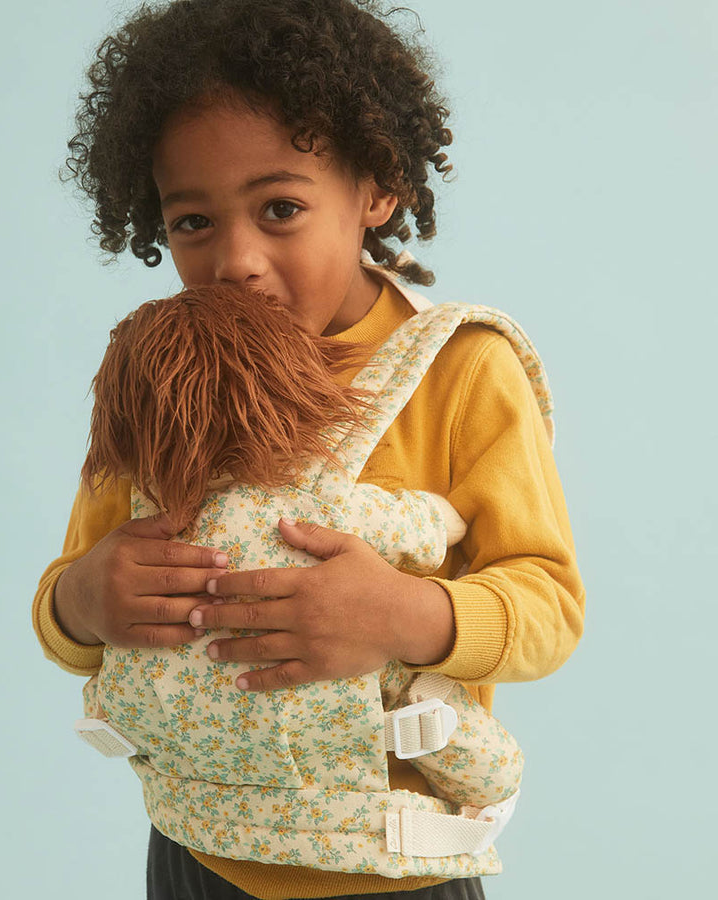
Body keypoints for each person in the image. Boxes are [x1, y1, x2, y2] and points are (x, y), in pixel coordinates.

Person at [33, 2, 585, 898]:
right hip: (196, 848)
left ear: (377, 188)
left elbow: (548, 605)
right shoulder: (163, 376)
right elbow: (67, 598)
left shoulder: (461, 372)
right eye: (193, 223)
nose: (237, 261)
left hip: (397, 864)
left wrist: (404, 615)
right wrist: (84, 600)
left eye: (280, 208)